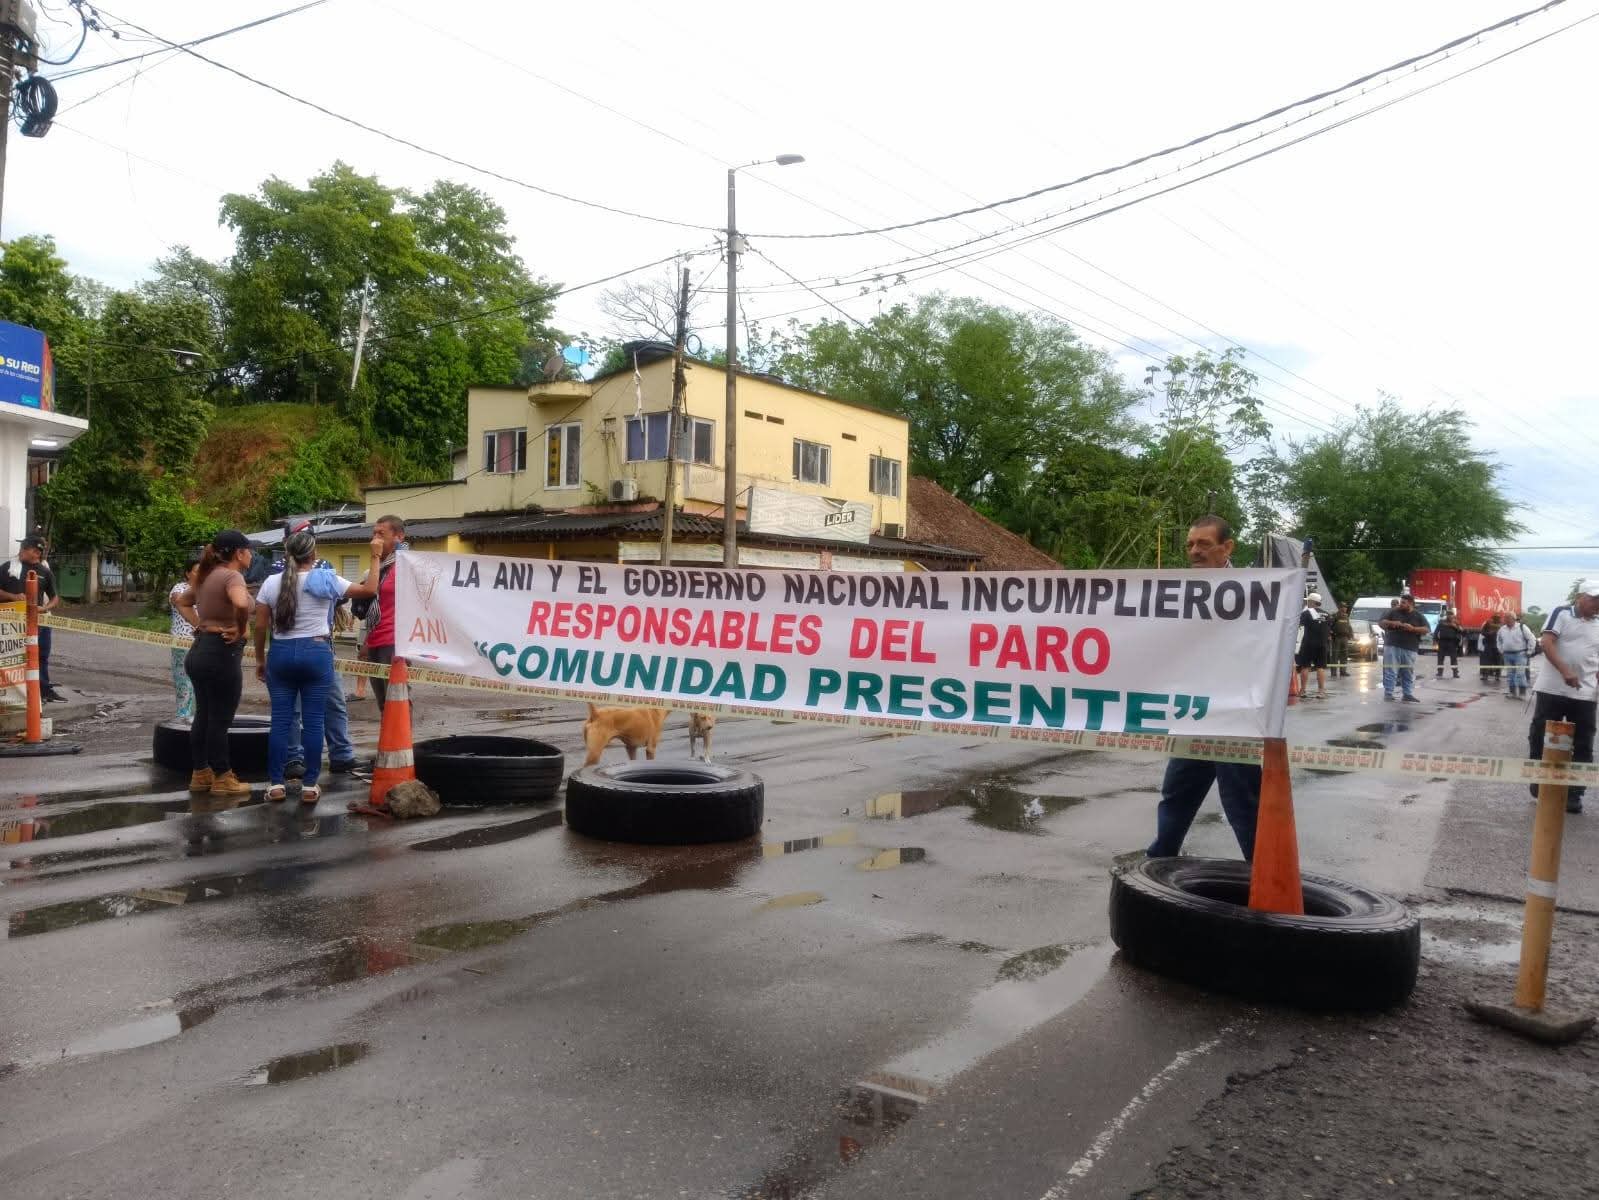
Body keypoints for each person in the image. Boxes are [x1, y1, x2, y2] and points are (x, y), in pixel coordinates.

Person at [1147, 515, 1260, 861]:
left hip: (1234, 714)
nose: (1194, 551)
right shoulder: (1176, 592)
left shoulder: (1257, 591)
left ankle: (1265, 873)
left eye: (1204, 544)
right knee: (1177, 792)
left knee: (1242, 799)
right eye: (1190, 544)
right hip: (1193, 711)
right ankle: (1160, 859)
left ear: (1227, 547)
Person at [252, 529, 382, 803]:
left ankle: (276, 784)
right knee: (314, 722)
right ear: (313, 554)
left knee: (281, 722)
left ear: (288, 554)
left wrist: (261, 660)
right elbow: (370, 589)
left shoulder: (271, 583)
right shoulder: (326, 578)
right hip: (317, 652)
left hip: (281, 653)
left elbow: (261, 625)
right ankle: (310, 785)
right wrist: (375, 556)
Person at [173, 530, 255, 799]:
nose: (251, 555)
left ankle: (201, 773)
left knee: (205, 716)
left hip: (199, 653)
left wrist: (202, 625)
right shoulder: (232, 576)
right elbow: (242, 604)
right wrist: (241, 628)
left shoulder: (206, 576)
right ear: (239, 553)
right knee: (220, 719)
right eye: (248, 550)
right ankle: (222, 776)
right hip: (222, 654)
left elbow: (181, 601)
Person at [1527, 583, 1599, 814]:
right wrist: (1565, 670)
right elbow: (1546, 642)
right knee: (1541, 734)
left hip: (1586, 692)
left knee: (1583, 742)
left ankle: (1575, 793)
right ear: (1580, 597)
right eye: (1594, 598)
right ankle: (1540, 779)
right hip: (1552, 688)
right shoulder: (1562, 613)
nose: (1598, 604)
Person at [0, 537, 65, 702]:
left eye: (24, 549)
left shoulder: (45, 572)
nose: (20, 551)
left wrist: (45, 608)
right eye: (23, 548)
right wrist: (13, 596)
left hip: (39, 622)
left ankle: (43, 691)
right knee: (14, 657)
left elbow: (55, 598)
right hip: (12, 623)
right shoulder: (8, 568)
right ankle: (14, 694)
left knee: (41, 656)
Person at [359, 514, 410, 713]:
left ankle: (404, 744)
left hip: (395, 642)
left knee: (397, 700)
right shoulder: (379, 566)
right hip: (376, 639)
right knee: (383, 703)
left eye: (381, 534)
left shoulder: (408, 565)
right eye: (374, 534)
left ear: (399, 537)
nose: (375, 539)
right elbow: (375, 603)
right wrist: (366, 641)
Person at [1380, 594, 1430, 703]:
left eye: (1403, 602)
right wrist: (1392, 623)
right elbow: (1381, 623)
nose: (1400, 604)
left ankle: (1407, 694)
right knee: (1391, 670)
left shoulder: (1418, 616)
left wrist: (1413, 629)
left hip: (1410, 647)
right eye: (1400, 602)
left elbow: (1426, 629)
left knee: (1408, 671)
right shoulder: (1393, 612)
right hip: (1392, 645)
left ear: (1410, 604)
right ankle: (1388, 694)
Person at [168, 557, 200, 721]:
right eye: (196, 571)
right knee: (184, 682)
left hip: (202, 643)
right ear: (188, 573)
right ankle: (182, 716)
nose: (201, 574)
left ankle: (198, 717)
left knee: (200, 682)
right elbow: (178, 602)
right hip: (182, 643)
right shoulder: (179, 588)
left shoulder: (206, 590)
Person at [1295, 592, 1331, 699]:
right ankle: (1321, 691)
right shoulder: (1327, 614)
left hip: (1308, 643)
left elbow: (1298, 625)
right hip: (1322, 644)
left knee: (1305, 666)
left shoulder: (1306, 613)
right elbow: (1329, 629)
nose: (1307, 603)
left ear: (1311, 602)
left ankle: (1303, 691)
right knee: (1320, 667)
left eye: (1308, 601)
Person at [1496, 611, 1535, 700]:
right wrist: (1501, 650)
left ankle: (1522, 693)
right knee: (1510, 674)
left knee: (1520, 674)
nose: (1505, 620)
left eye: (1507, 618)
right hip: (1507, 655)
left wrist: (1529, 651)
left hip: (1520, 654)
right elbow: (1498, 640)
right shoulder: (1502, 629)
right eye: (1505, 618)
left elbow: (1531, 639)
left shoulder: (1522, 627)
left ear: (1513, 619)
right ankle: (1512, 692)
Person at [1434, 608, 1465, 679]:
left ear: (1453, 616)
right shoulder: (1442, 622)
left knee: (1453, 658)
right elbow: (1436, 632)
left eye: (1451, 615)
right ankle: (1439, 672)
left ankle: (1455, 673)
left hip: (1452, 643)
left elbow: (1463, 632)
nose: (1450, 616)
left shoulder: (1456, 623)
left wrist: (1455, 627)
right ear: (1446, 615)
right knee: (1440, 658)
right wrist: (1435, 640)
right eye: (1448, 615)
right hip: (1442, 642)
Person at [1329, 603, 1354, 678]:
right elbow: (1329, 625)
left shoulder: (1346, 616)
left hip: (1345, 638)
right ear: (1340, 608)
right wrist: (1330, 634)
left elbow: (1349, 626)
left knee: (1344, 655)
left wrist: (1351, 634)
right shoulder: (1335, 616)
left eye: (1346, 607)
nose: (1345, 608)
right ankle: (1333, 672)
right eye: (1343, 607)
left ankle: (1343, 671)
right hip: (1337, 638)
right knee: (1335, 656)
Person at [1479, 613, 1502, 684]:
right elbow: (1482, 632)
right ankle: (1485, 675)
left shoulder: (1502, 625)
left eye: (1498, 617)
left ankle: (1497, 675)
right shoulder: (1488, 623)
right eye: (1495, 617)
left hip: (1498, 645)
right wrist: (1488, 634)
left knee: (1498, 661)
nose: (1497, 619)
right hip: (1488, 644)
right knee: (1487, 661)